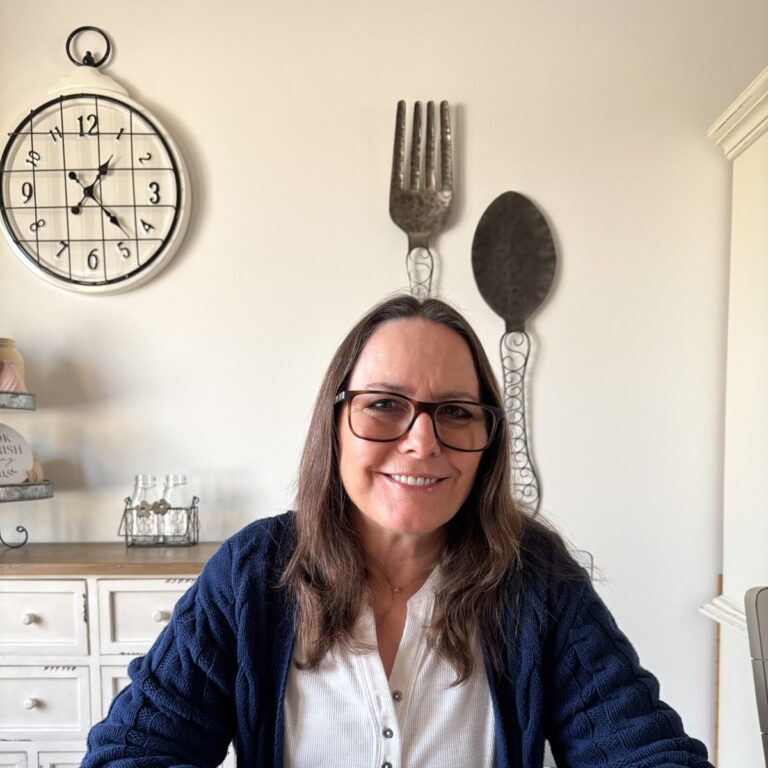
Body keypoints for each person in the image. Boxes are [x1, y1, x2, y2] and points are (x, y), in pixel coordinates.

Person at [83, 294, 713, 768]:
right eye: (384, 404)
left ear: (486, 443)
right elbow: (129, 755)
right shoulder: (253, 571)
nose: (421, 442)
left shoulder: (534, 577)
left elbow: (648, 751)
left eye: (456, 413)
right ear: (334, 423)